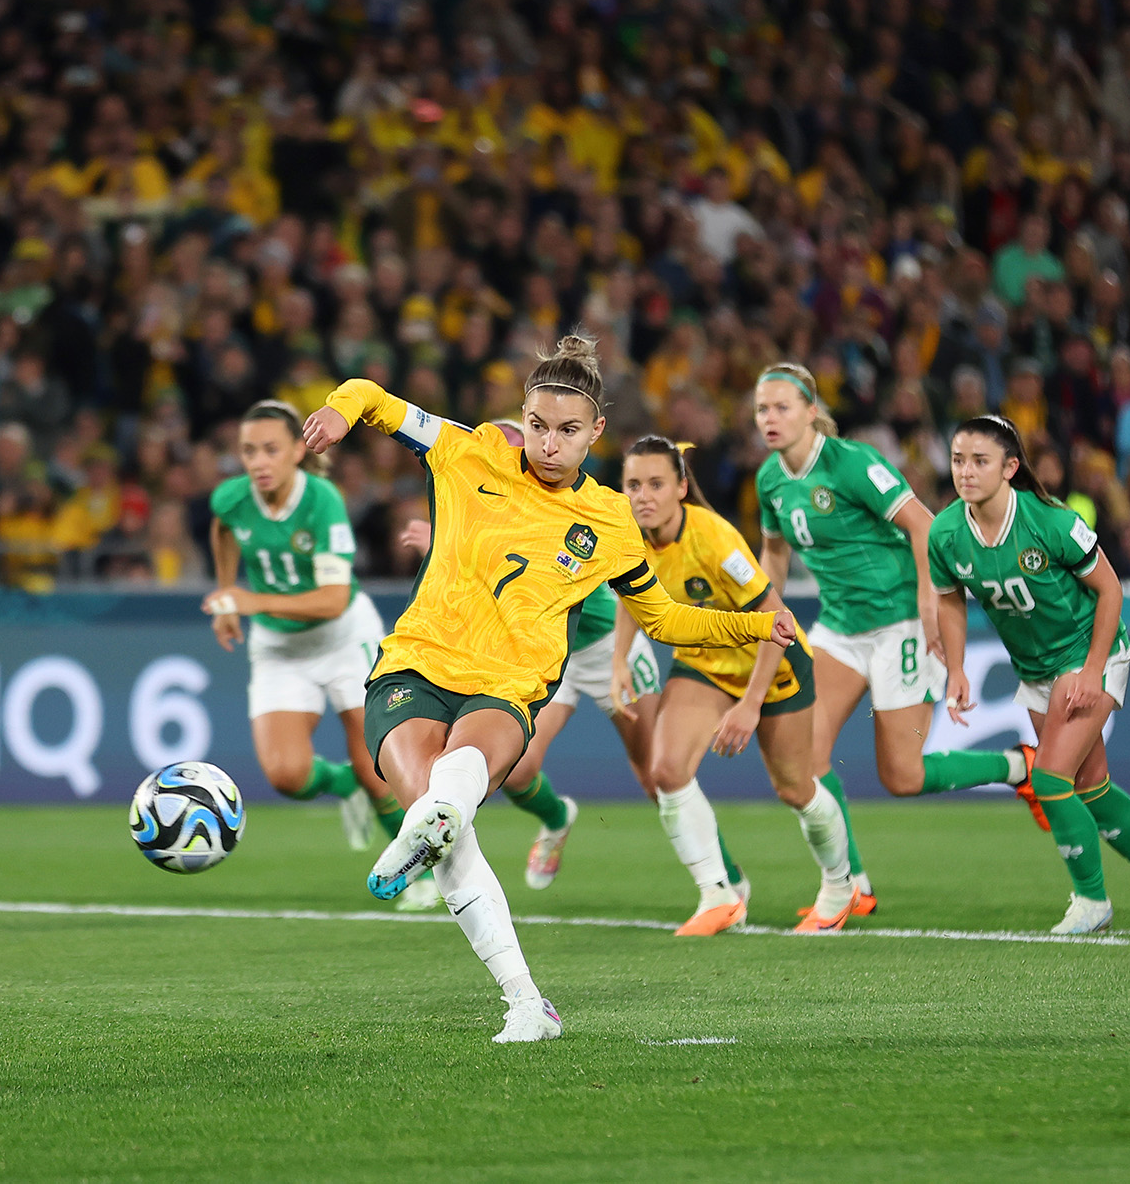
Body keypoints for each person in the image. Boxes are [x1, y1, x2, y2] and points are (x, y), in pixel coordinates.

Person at [302, 335, 796, 1042]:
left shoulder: (611, 521)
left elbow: (660, 616)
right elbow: (373, 395)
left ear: (596, 432)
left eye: (568, 431)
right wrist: (340, 413)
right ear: (521, 416)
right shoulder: (466, 450)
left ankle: (518, 986)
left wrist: (746, 628)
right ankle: (525, 994)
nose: (549, 444)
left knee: (449, 801)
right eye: (537, 425)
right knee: (441, 820)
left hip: (507, 685)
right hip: (413, 666)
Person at [753, 362, 1043, 917]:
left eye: (782, 406)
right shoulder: (770, 479)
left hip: (899, 626)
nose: (770, 418)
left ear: (812, 411)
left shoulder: (852, 463)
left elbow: (924, 524)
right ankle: (850, 884)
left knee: (902, 776)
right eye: (763, 409)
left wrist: (927, 607)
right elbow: (775, 553)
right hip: (839, 628)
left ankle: (1019, 767)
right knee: (804, 762)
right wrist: (767, 607)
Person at [935, 416, 1130, 933]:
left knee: (1050, 779)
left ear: (1010, 467)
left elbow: (1111, 588)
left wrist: (1092, 671)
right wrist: (957, 668)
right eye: (958, 459)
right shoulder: (945, 532)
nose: (966, 471)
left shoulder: (1048, 522)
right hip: (1035, 670)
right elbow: (949, 598)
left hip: (1090, 653)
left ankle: (1091, 901)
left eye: (979, 461)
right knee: (1090, 786)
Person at [395, 419, 666, 894]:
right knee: (517, 772)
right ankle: (559, 820)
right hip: (545, 658)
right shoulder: (486, 510)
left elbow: (627, 587)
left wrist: (622, 657)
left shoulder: (570, 507)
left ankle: (721, 879)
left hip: (608, 649)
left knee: (659, 773)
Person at [619, 435, 858, 934]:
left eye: (656, 484)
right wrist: (620, 659)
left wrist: (750, 705)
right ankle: (719, 894)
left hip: (774, 664)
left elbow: (779, 620)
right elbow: (631, 595)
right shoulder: (629, 536)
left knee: (795, 790)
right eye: (633, 484)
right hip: (705, 662)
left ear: (681, 487)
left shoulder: (715, 540)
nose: (643, 495)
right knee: (665, 770)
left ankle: (840, 888)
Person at [201, 401, 432, 909]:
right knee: (288, 776)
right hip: (280, 649)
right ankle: (354, 787)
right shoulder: (232, 498)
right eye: (248, 451)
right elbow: (222, 528)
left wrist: (248, 600)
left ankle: (419, 872)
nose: (258, 462)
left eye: (270, 450)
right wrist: (225, 597)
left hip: (344, 639)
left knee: (379, 764)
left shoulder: (322, 500)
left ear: (297, 452)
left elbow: (330, 600)